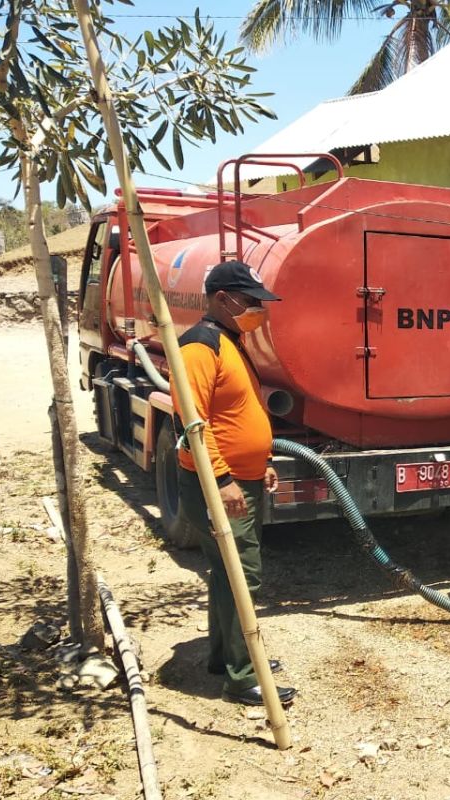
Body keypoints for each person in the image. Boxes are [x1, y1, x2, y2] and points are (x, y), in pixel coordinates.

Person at [173, 260, 296, 707]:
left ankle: (224, 656)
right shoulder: (199, 347)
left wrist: (258, 461)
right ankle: (243, 677)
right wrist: (222, 479)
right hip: (219, 485)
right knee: (243, 575)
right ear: (223, 299)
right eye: (251, 302)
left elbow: (234, 413)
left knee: (228, 574)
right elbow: (191, 424)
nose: (258, 310)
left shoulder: (230, 340)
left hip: (241, 479)